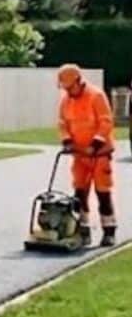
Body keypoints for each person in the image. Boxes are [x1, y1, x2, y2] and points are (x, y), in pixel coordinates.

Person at [57, 63, 116, 246]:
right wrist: (67, 142)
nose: (67, 91)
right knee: (79, 193)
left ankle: (109, 231)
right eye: (65, 88)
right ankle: (83, 231)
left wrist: (95, 144)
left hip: (99, 154)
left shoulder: (96, 96)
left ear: (78, 81)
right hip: (79, 155)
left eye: (69, 87)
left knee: (102, 192)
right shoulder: (66, 101)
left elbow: (105, 122)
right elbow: (62, 123)